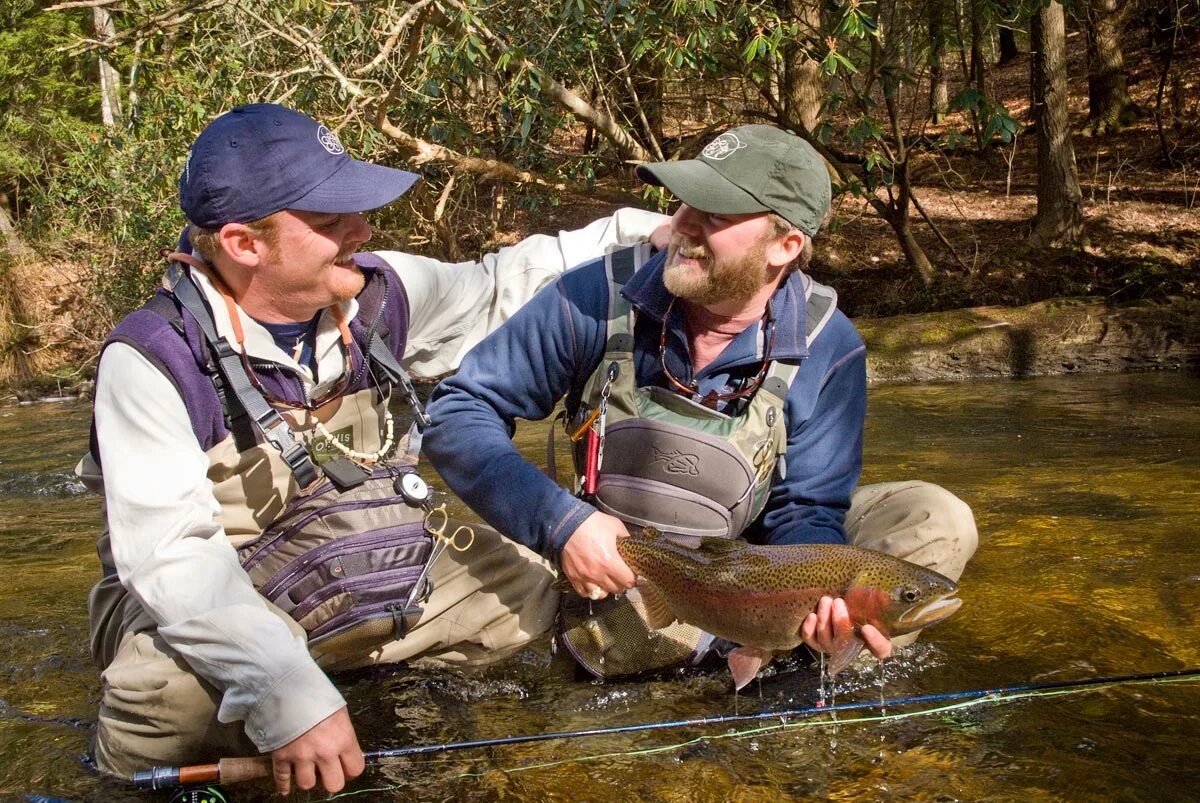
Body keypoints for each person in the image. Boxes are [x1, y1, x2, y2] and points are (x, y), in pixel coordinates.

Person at [75, 103, 668, 793]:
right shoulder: (151, 359)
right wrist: (289, 692)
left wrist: (644, 235)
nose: (362, 229)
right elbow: (176, 561)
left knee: (529, 590)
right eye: (330, 222)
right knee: (162, 702)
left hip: (353, 557)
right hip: (216, 587)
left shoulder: (377, 294)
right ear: (243, 243)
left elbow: (499, 286)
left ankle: (387, 705)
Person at [423, 124, 978, 683]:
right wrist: (561, 524)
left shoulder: (830, 347)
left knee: (937, 518)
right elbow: (457, 411)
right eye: (686, 201)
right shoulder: (594, 297)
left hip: (749, 564)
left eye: (715, 215)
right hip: (615, 556)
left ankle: (789, 664)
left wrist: (818, 602)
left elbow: (806, 508)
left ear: (784, 247)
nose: (683, 225)